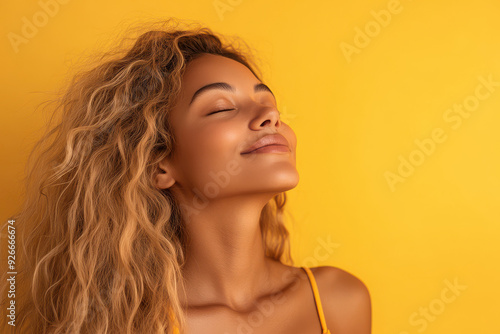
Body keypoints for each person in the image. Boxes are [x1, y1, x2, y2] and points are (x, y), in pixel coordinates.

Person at [0, 18, 371, 334]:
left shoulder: (340, 301)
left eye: (269, 104)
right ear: (158, 164)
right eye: (221, 108)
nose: (269, 117)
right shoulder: (127, 323)